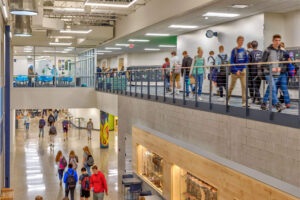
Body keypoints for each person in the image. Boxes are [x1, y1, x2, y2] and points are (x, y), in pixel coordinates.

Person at [261, 34, 286, 112]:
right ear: (273, 41)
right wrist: (271, 68)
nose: (278, 42)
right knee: (273, 88)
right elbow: (263, 63)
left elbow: (282, 62)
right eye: (276, 40)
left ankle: (263, 103)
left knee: (270, 89)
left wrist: (280, 68)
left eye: (279, 40)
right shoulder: (267, 50)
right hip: (268, 73)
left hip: (277, 74)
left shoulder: (281, 51)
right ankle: (277, 104)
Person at [228, 36, 249, 107]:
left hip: (242, 72)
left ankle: (244, 102)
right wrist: (236, 70)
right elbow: (232, 62)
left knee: (244, 86)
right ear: (237, 41)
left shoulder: (244, 50)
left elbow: (246, 60)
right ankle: (227, 99)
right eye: (240, 40)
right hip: (234, 72)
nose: (241, 42)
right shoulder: (234, 50)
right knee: (231, 87)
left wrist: (243, 68)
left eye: (242, 40)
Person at [279, 42, 291, 108]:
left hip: (278, 73)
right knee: (284, 89)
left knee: (275, 87)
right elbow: (290, 63)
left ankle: (273, 103)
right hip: (285, 73)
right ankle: (287, 103)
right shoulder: (286, 53)